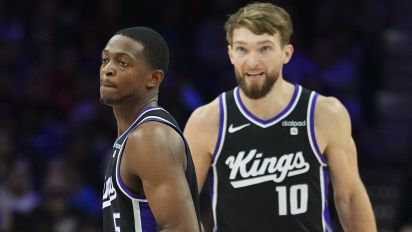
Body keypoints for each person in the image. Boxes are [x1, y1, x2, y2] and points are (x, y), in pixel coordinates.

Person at [184, 2, 376, 232]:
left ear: (286, 53)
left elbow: (350, 197)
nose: (252, 61)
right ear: (230, 54)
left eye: (264, 48)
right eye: (242, 49)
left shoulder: (324, 113)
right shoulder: (207, 120)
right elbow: (180, 205)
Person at [100, 26, 201, 232]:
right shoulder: (133, 137)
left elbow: (181, 228)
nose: (108, 69)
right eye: (105, 60)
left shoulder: (149, 137)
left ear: (153, 78)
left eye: (122, 62)